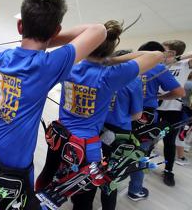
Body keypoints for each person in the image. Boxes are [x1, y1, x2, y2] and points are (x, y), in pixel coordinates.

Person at [0, 0, 107, 209]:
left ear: (20, 26)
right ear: (56, 31)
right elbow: (99, 31)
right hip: (15, 160)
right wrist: (49, 37)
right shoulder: (47, 64)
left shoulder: (7, 57)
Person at [35, 20, 164, 210]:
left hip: (59, 138)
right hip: (86, 148)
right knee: (83, 199)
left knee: (48, 175)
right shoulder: (110, 75)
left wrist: (88, 49)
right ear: (109, 50)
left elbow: (45, 45)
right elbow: (158, 55)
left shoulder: (69, 66)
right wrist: (113, 59)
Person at [103, 49, 145, 204]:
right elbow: (137, 115)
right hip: (120, 132)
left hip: (97, 128)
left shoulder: (102, 76)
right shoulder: (133, 81)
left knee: (91, 167)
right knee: (111, 175)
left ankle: (80, 199)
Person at [152, 40, 188, 186]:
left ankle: (168, 170)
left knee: (169, 142)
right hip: (154, 107)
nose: (161, 52)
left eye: (164, 50)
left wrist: (178, 58)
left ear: (173, 53)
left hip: (172, 110)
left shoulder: (184, 64)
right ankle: (144, 163)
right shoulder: (161, 64)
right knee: (148, 139)